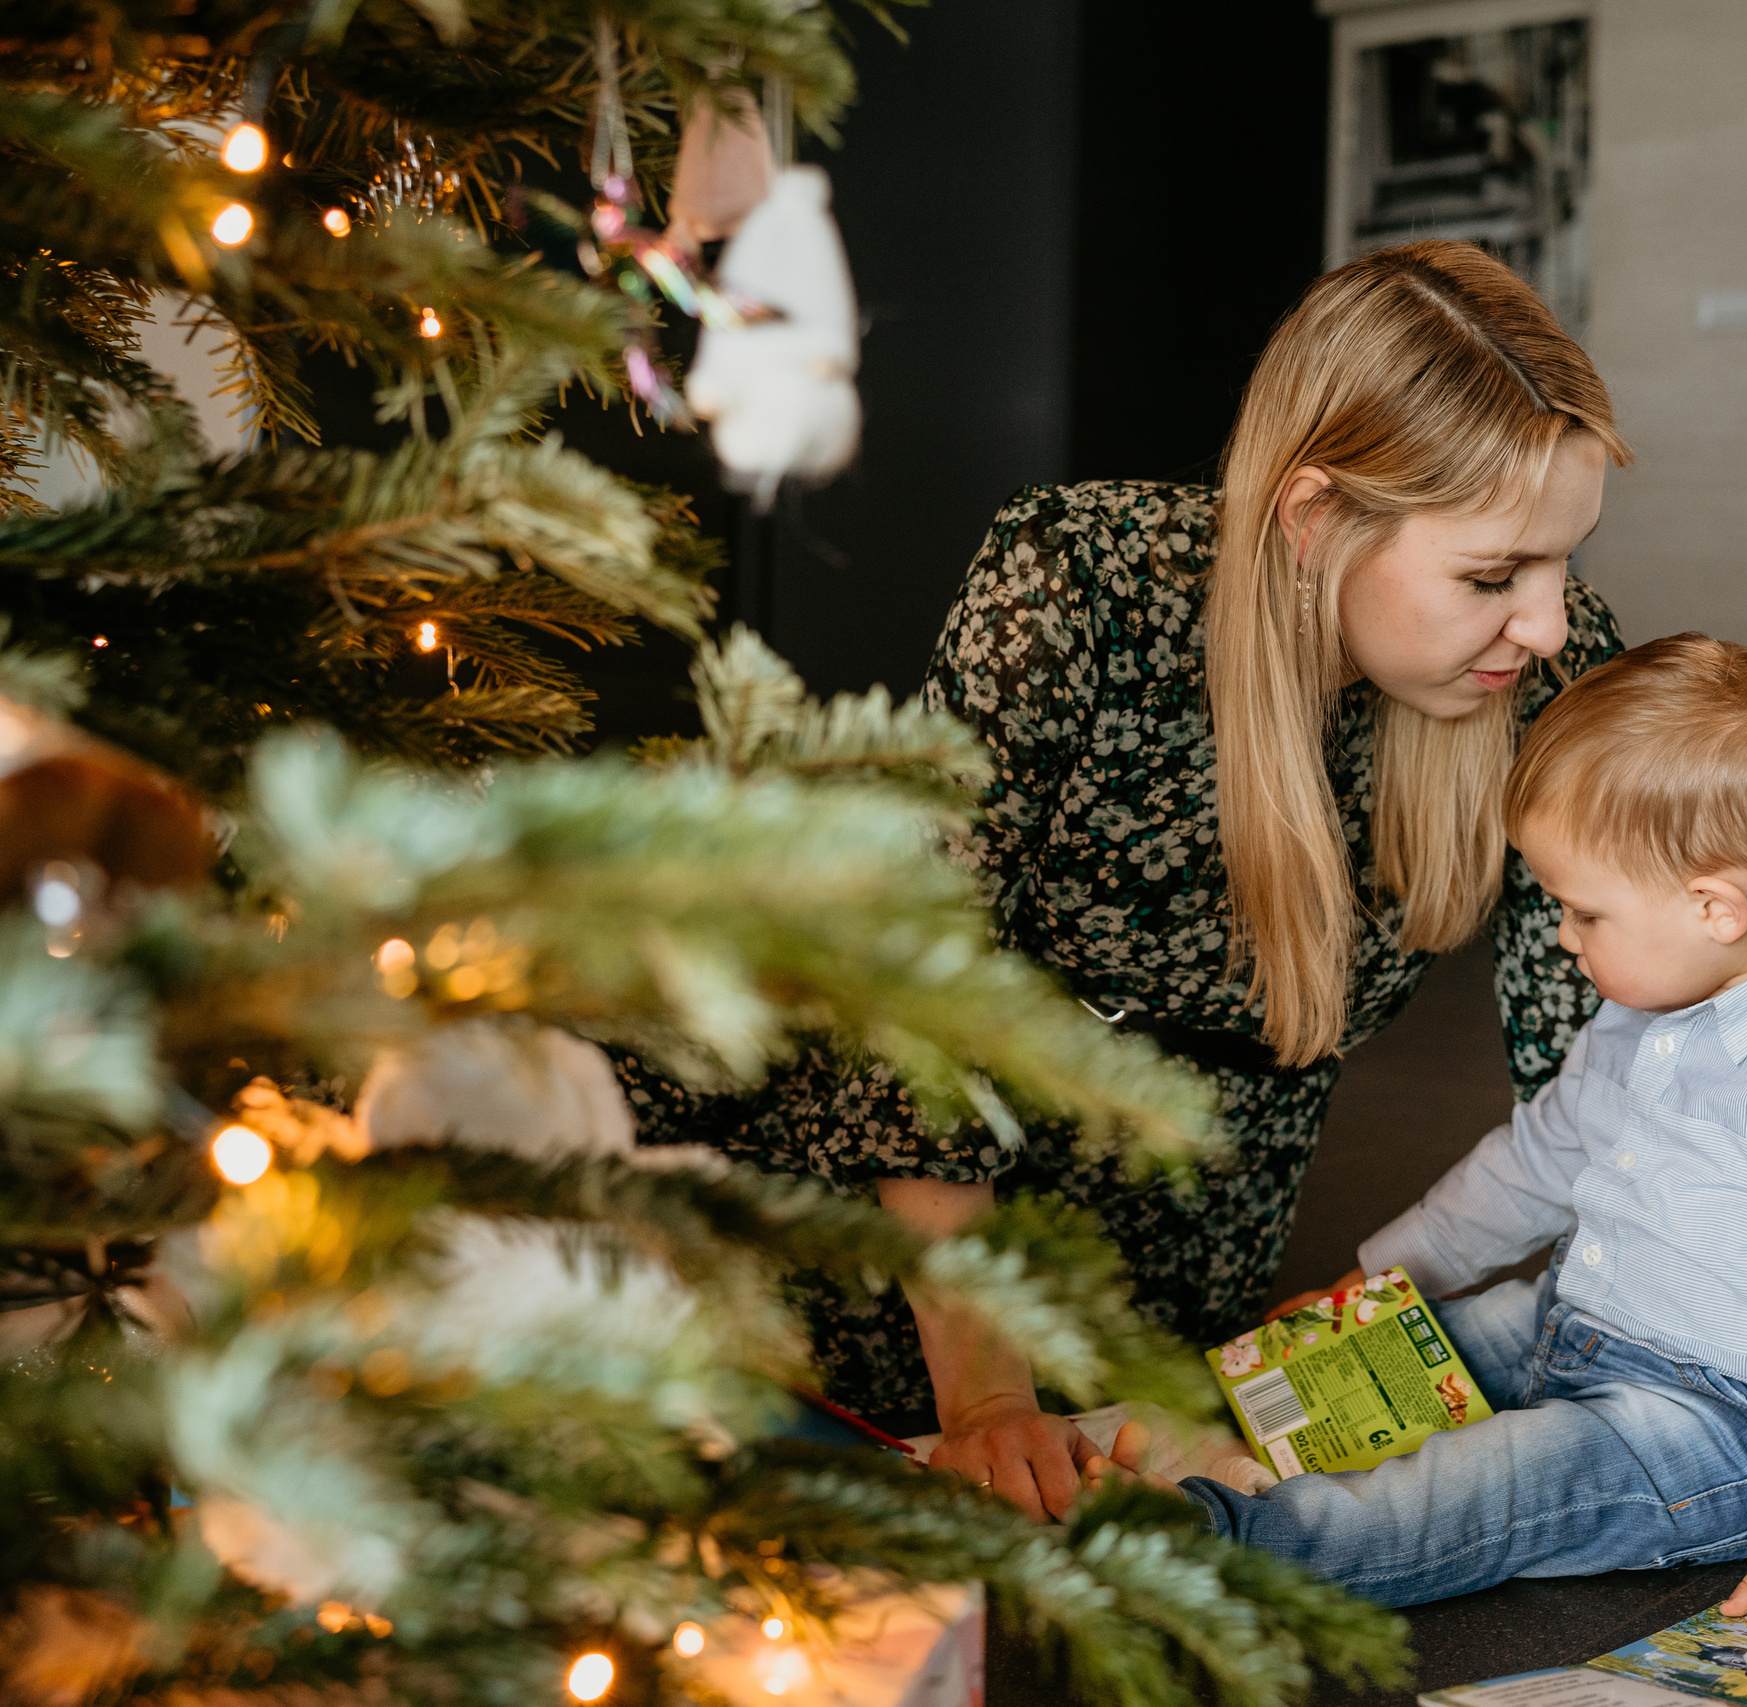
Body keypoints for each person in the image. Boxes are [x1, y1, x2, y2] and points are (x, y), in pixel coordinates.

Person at [616, 239, 1633, 1519]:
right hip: (904, 1180)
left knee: (1136, 1450)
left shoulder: (1550, 662)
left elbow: (1603, 1050)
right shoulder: (1081, 580)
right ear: (1315, 520)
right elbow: (911, 994)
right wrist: (982, 1395)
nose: (1545, 624)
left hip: (1191, 1215)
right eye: (1492, 576)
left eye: (1564, 564)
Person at [1173, 635, 1747, 1660]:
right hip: (1573, 1324)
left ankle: (1200, 1542)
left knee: (1489, 1488)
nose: (1563, 936)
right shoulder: (1658, 996)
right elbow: (1542, 1157)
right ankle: (1131, 1434)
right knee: (1327, 1369)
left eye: (1583, 910)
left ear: (1714, 905)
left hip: (1732, 1429)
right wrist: (1377, 1280)